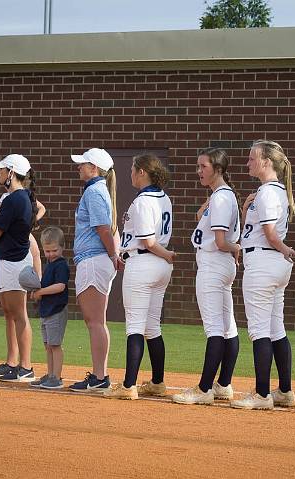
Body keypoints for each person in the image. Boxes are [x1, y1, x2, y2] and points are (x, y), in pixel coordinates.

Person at [230, 140, 295, 411]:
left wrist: (285, 248)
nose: (248, 163)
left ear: (267, 162)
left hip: (264, 262)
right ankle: (284, 390)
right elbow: (257, 230)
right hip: (271, 263)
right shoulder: (273, 191)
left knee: (259, 331)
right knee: (276, 328)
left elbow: (270, 235)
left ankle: (261, 394)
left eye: (252, 158)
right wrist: (247, 212)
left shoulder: (268, 192)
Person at [172, 148, 241, 405]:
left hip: (213, 263)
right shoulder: (221, 196)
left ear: (218, 169)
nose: (199, 171)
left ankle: (204, 389)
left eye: (204, 166)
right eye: (198, 166)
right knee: (227, 327)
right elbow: (201, 217)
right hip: (218, 264)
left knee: (215, 329)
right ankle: (223, 384)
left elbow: (222, 242)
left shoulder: (222, 197)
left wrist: (236, 247)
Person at [104, 153, 175, 400]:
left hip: (145, 263)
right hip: (156, 266)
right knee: (152, 327)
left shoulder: (144, 201)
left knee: (135, 327)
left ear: (143, 172)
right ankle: (157, 382)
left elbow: (147, 241)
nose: (131, 173)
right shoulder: (164, 198)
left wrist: (166, 254)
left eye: (134, 169)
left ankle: (128, 386)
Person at [69, 148, 124, 393]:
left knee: (94, 322)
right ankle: (100, 374)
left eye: (83, 164)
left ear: (94, 168)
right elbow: (109, 229)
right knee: (96, 321)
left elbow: (104, 229)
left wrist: (113, 254)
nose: (79, 167)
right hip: (95, 259)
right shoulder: (99, 190)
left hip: (93, 259)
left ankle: (100, 376)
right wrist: (114, 253)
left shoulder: (94, 191)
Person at [0, 154, 38, 383]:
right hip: (7, 260)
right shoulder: (17, 197)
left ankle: (25, 367)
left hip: (15, 262)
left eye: (2, 170)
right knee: (9, 313)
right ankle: (12, 362)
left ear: (12, 173)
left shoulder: (15, 199)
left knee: (19, 314)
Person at [27, 226, 70, 390]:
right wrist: (36, 292)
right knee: (48, 346)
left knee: (55, 345)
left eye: (54, 250)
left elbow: (60, 286)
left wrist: (41, 292)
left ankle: (57, 378)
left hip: (56, 311)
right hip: (47, 311)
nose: (51, 254)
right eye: (47, 251)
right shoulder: (50, 265)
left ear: (62, 247)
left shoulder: (61, 265)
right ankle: (50, 374)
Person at [0, 183, 46, 293]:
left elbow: (42, 209)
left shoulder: (25, 196)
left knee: (35, 251)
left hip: (21, 230)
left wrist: (32, 220)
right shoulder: (5, 197)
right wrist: (8, 214)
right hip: (6, 230)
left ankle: (38, 279)